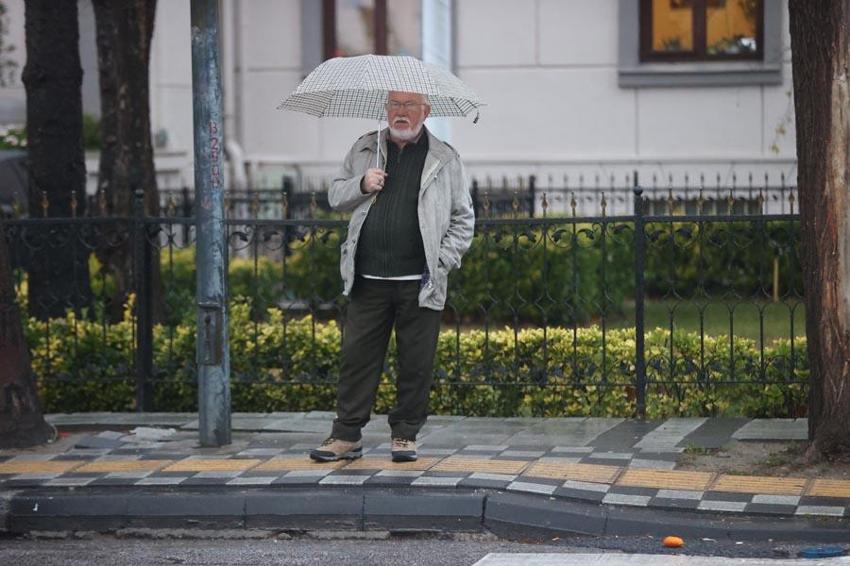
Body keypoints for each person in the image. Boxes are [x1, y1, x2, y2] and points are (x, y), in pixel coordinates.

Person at [310, 90, 474, 463]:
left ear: (425, 111)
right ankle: (346, 435)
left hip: (420, 281)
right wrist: (362, 184)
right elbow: (336, 195)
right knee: (356, 358)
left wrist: (442, 261)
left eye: (409, 106)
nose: (401, 113)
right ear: (386, 109)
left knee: (415, 362)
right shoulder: (366, 148)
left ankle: (404, 435)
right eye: (395, 105)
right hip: (368, 278)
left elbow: (464, 218)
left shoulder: (444, 158)